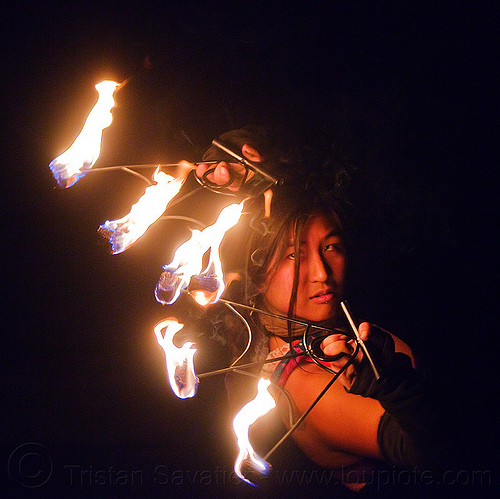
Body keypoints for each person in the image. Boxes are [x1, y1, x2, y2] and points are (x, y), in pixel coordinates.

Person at [194, 127, 446, 494]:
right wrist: (405, 395)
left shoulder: (262, 324)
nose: (321, 273)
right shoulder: (312, 384)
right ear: (258, 274)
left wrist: (251, 161)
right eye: (293, 255)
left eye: (331, 247)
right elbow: (445, 458)